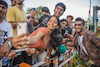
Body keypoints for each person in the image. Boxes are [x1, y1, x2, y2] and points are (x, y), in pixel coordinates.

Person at [0, 0, 13, 67]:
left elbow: (10, 38)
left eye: (3, 8)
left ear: (6, 12)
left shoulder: (8, 25)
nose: (1, 9)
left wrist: (7, 43)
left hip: (4, 61)